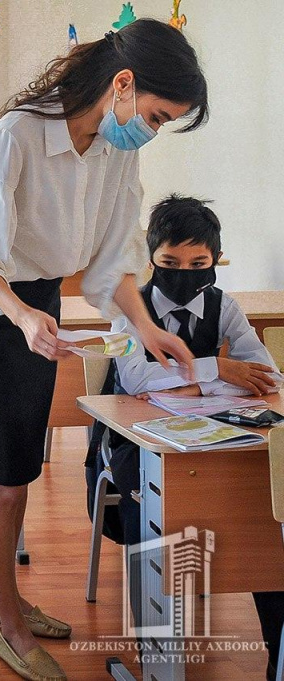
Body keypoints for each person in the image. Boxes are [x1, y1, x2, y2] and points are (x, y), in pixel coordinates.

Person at [0, 19, 208, 679]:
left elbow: (116, 257)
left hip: (39, 300)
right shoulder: (20, 134)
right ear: (123, 84)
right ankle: (8, 621)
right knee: (4, 476)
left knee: (23, 464)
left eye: (163, 123)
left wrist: (147, 328)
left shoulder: (119, 149)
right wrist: (21, 314)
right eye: (153, 114)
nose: (151, 129)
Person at [101, 195, 283, 681]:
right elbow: (136, 380)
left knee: (263, 517)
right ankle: (157, 659)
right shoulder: (127, 308)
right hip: (134, 441)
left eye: (198, 263)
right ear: (152, 260)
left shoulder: (225, 306)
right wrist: (218, 369)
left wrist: (192, 382)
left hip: (214, 436)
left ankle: (277, 659)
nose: (185, 273)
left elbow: (266, 375)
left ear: (215, 261)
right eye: (170, 263)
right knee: (146, 513)